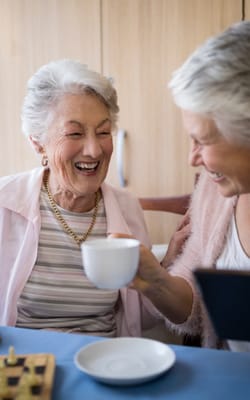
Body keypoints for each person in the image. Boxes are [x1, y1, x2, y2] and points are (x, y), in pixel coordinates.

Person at [0, 59, 166, 338]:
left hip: (104, 364)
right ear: (37, 141)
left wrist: (168, 267)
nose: (94, 150)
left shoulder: (126, 208)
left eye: (103, 132)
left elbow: (146, 316)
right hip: (25, 366)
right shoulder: (5, 203)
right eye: (75, 133)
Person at [114, 20, 250, 351]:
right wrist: (155, 281)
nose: (192, 159)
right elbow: (197, 311)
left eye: (202, 140)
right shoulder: (214, 193)